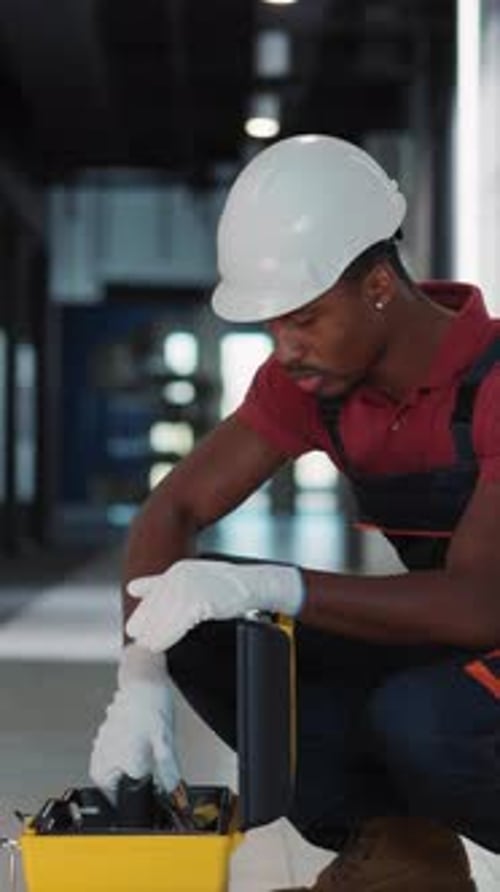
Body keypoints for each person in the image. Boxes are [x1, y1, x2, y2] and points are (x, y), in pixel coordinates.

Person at [90, 134, 500, 891]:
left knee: (426, 718)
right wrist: (139, 676)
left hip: (482, 629)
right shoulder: (314, 382)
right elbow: (175, 507)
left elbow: (480, 604)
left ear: (378, 286)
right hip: (466, 647)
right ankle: (403, 854)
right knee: (201, 621)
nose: (286, 348)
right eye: (272, 326)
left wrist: (277, 585)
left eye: (303, 318)